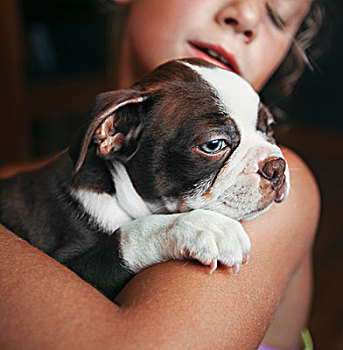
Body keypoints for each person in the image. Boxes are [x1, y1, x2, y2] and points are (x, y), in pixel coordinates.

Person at [0, 0, 323, 348]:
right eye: (215, 143)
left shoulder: (288, 195)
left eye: (277, 17)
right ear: (112, 133)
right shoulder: (29, 186)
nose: (245, 16)